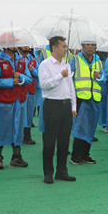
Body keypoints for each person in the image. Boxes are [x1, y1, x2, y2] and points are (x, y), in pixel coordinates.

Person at [0, 34, 32, 169]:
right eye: (13, 42)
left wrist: (21, 77)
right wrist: (10, 82)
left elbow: (29, 79)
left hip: (19, 100)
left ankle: (16, 156)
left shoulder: (22, 61)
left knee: (18, 128)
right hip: (3, 101)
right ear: (5, 45)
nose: (16, 44)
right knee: (1, 128)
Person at [37, 35, 77, 183]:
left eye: (66, 46)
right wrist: (60, 76)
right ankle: (48, 173)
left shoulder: (66, 64)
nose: (66, 49)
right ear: (54, 47)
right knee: (49, 141)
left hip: (66, 106)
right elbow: (44, 85)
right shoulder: (45, 65)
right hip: (52, 105)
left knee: (64, 142)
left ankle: (62, 171)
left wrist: (73, 106)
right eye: (63, 46)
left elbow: (71, 87)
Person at [70, 36, 103, 165]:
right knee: (80, 127)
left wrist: (99, 77)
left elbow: (104, 79)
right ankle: (75, 155)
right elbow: (69, 79)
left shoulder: (98, 61)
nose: (90, 47)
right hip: (81, 98)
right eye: (88, 44)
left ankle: (85, 154)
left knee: (91, 127)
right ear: (82, 47)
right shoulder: (75, 60)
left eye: (93, 45)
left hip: (95, 98)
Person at [19, 45, 39, 145]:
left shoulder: (33, 60)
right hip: (19, 89)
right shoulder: (16, 59)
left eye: (28, 45)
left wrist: (32, 70)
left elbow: (39, 73)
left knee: (29, 113)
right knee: (19, 113)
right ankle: (16, 136)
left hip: (30, 90)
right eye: (24, 45)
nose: (27, 47)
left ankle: (27, 136)